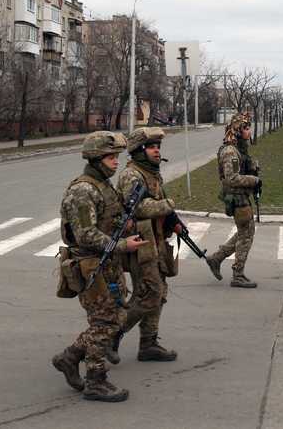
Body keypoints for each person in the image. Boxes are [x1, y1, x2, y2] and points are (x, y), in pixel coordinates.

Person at [51, 131, 148, 402]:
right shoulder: (84, 190)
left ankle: (69, 357)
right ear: (95, 159)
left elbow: (108, 220)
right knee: (104, 322)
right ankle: (96, 380)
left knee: (115, 318)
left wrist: (124, 225)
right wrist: (121, 245)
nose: (116, 162)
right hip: (91, 265)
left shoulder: (104, 185)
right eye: (109, 157)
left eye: (116, 156)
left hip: (108, 264)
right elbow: (86, 235)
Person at [107, 127, 182, 365]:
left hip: (156, 240)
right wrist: (168, 205)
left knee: (159, 294)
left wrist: (174, 221)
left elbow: (157, 202)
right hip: (139, 243)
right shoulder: (132, 174)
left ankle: (148, 343)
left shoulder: (152, 173)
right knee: (150, 294)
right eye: (152, 147)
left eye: (158, 147)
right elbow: (138, 208)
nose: (157, 151)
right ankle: (110, 336)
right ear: (140, 150)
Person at [205, 113, 260, 288]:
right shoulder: (231, 151)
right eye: (246, 128)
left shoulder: (239, 149)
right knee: (246, 234)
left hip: (241, 196)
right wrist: (254, 180)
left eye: (249, 127)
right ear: (237, 130)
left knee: (245, 232)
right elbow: (232, 178)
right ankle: (238, 274)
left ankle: (216, 258)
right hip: (237, 198)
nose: (249, 131)